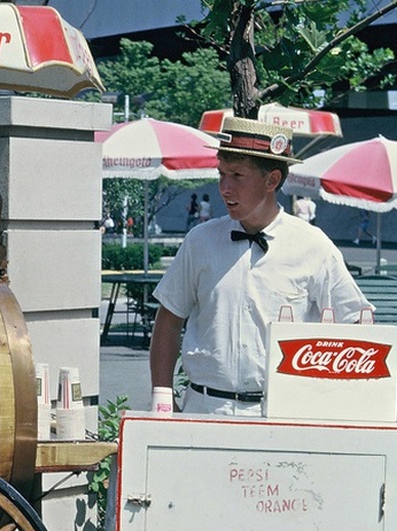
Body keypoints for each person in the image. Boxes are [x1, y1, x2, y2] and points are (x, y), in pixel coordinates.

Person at [148, 117, 371, 416]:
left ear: (272, 181)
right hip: (205, 410)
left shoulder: (313, 246)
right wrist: (162, 395)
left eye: (237, 175)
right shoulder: (200, 241)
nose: (224, 188)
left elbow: (357, 325)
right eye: (221, 174)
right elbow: (169, 320)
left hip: (282, 412)